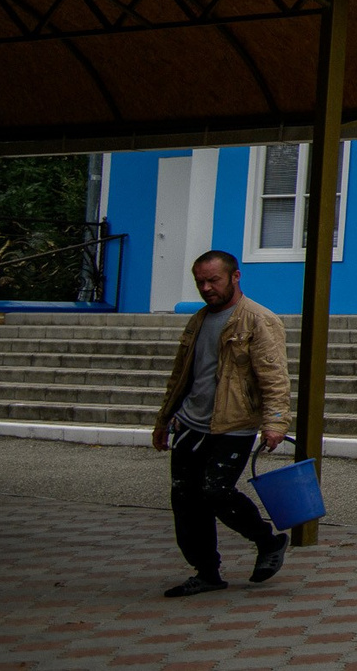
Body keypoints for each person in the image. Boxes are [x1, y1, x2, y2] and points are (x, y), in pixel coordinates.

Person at [150, 250, 292, 598]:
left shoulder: (259, 320)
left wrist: (275, 422)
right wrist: (163, 420)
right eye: (200, 281)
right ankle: (207, 572)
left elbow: (275, 377)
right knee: (185, 499)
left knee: (215, 491)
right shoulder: (198, 320)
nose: (206, 288)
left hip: (234, 424)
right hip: (191, 424)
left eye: (213, 280)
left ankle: (268, 541)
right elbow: (181, 376)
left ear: (235, 276)